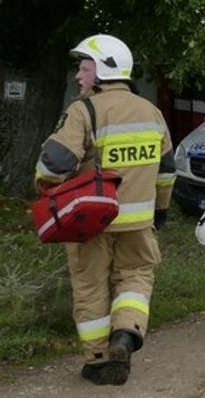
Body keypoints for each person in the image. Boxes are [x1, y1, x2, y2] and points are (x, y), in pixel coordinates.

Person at [34, 34, 175, 386]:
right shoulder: (153, 113)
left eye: (84, 68)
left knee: (90, 286)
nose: (79, 76)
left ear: (103, 71)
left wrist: (46, 189)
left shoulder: (85, 110)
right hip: (139, 223)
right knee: (136, 278)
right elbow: (167, 171)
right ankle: (126, 335)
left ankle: (98, 362)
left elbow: (53, 165)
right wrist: (160, 211)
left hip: (90, 221)